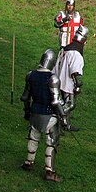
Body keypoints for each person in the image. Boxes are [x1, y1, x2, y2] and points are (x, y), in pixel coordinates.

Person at [20, 49, 68, 182]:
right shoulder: (52, 79)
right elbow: (56, 101)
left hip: (35, 113)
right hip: (49, 115)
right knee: (51, 143)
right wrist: (63, 117)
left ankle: (28, 162)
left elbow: (25, 97)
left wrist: (27, 111)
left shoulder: (31, 75)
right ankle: (49, 172)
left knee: (33, 138)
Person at [53, 25, 86, 132]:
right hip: (67, 82)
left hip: (58, 79)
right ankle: (59, 121)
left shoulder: (64, 49)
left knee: (61, 102)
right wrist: (77, 84)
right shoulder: (76, 54)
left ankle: (65, 124)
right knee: (70, 104)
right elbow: (75, 71)